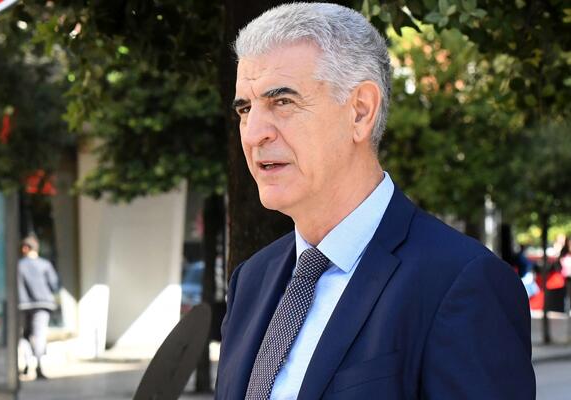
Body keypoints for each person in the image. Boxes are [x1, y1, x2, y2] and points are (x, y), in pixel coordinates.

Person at [215, 3, 535, 399]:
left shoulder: (461, 283)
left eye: (282, 102)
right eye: (245, 109)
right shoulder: (251, 280)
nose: (253, 134)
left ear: (361, 111)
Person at [17, 236, 59, 379]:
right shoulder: (45, 264)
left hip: (23, 305)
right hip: (43, 304)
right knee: (40, 335)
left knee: (24, 335)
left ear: (25, 248)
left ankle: (28, 363)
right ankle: (39, 365)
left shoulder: (18, 265)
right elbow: (54, 285)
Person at [558, 236, 571, 314]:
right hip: (567, 276)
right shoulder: (564, 251)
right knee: (567, 293)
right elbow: (559, 263)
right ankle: (567, 309)